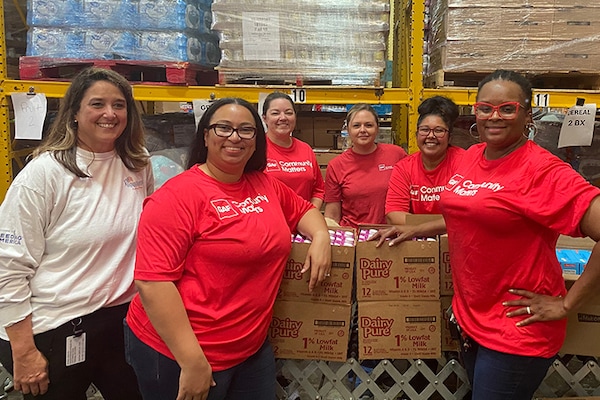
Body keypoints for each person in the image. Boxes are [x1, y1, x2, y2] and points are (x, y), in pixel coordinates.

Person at [373, 70, 600, 400]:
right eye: (485, 108)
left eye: (507, 108)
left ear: (527, 113)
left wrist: (566, 303)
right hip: (471, 318)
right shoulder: (472, 157)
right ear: (475, 112)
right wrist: (417, 228)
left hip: (516, 329)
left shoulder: (541, 170)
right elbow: (471, 215)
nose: (495, 117)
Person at [124, 97, 331, 400]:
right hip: (182, 352)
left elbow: (303, 211)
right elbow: (153, 282)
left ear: (256, 140)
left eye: (246, 130)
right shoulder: (177, 197)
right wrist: (192, 362)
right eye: (224, 128)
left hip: (251, 347)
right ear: (205, 135)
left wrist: (322, 237)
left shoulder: (263, 184)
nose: (235, 137)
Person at [0, 67, 153, 399]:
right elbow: (8, 268)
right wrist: (24, 351)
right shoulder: (45, 174)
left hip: (118, 320)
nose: (110, 114)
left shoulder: (137, 164)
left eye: (119, 104)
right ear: (73, 113)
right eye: (97, 104)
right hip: (53, 326)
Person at [324, 103, 407, 228]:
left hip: (391, 235)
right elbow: (332, 215)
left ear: (377, 128)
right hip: (354, 237)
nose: (363, 130)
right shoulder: (336, 165)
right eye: (356, 126)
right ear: (348, 130)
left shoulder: (396, 155)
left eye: (368, 125)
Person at [385, 96, 465, 225]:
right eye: (425, 130)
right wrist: (432, 228)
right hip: (416, 239)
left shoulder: (465, 163)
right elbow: (394, 214)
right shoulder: (404, 167)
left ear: (450, 137)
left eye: (439, 131)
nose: (431, 136)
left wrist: (422, 226)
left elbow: (468, 215)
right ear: (416, 135)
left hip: (455, 238)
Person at [262, 91, 325, 208]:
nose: (283, 118)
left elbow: (318, 189)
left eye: (288, 113)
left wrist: (309, 215)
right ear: (265, 118)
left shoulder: (305, 149)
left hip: (304, 222)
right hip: (269, 222)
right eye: (275, 113)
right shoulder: (256, 149)